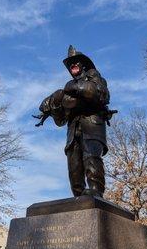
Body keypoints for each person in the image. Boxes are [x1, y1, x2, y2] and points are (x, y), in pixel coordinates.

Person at [34, 45, 116, 198]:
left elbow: (101, 95)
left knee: (91, 158)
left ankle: (96, 191)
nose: (72, 65)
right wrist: (56, 105)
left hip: (92, 128)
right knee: (74, 168)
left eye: (75, 62)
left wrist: (75, 87)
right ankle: (78, 198)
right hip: (73, 134)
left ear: (83, 64)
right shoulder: (67, 93)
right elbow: (61, 121)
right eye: (70, 64)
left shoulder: (95, 78)